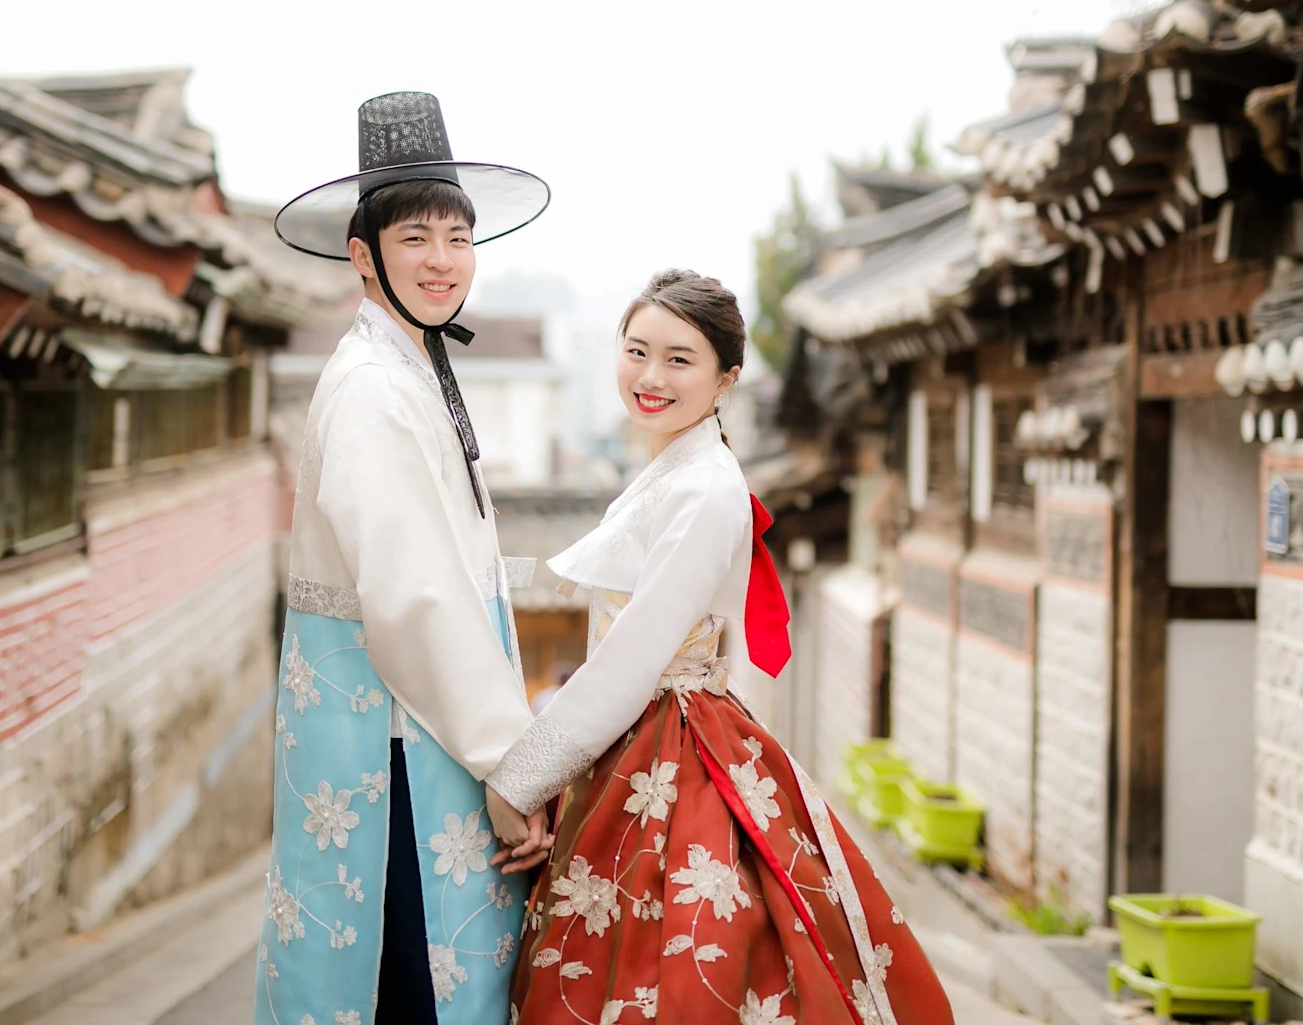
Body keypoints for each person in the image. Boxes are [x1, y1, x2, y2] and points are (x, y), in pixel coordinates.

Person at [488, 270, 955, 1025]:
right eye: (636, 351)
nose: (650, 376)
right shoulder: (671, 470)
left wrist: (519, 780)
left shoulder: (703, 488)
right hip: (642, 735)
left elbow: (635, 658)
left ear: (725, 378)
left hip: (667, 740)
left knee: (668, 966)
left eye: (680, 360)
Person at [256, 92, 555, 1025]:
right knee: (404, 984)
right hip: (395, 752)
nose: (442, 261)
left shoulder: (407, 363)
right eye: (416, 237)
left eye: (458, 238)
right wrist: (512, 767)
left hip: (409, 731)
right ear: (364, 254)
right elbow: (416, 598)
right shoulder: (377, 389)